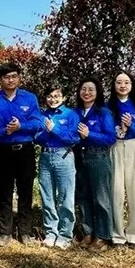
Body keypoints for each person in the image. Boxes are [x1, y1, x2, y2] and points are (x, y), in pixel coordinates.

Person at [0, 63, 42, 247]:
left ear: (19, 78)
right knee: (5, 192)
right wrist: (6, 131)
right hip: (3, 150)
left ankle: (25, 232)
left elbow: (38, 123)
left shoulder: (29, 98)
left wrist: (20, 127)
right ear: (0, 80)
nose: (10, 80)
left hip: (25, 150)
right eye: (6, 77)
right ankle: (5, 232)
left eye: (14, 76)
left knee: (25, 192)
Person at [73, 78, 117, 252]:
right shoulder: (75, 112)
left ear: (97, 92)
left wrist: (89, 134)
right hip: (79, 156)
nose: (87, 92)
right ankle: (88, 232)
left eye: (91, 89)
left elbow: (110, 138)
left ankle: (103, 236)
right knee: (83, 196)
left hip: (98, 156)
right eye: (83, 89)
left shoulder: (103, 113)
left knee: (101, 197)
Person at [35, 84, 80, 250]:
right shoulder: (42, 115)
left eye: (56, 96)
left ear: (64, 98)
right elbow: (36, 137)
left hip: (64, 156)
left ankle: (65, 234)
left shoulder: (71, 114)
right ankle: (50, 232)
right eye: (49, 96)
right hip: (46, 156)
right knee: (47, 196)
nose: (52, 99)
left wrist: (54, 129)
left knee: (65, 197)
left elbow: (74, 138)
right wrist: (46, 132)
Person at [107, 71, 135, 247]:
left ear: (132, 85)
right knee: (115, 193)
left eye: (126, 82)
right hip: (114, 147)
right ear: (114, 85)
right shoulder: (108, 106)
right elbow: (105, 130)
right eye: (119, 82)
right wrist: (119, 131)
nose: (122, 85)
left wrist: (131, 126)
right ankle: (117, 235)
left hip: (134, 147)